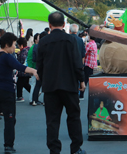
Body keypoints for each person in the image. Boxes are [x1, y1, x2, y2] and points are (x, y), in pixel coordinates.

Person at [37, 12, 86, 154]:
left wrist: (41, 77)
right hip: (69, 85)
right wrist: (81, 80)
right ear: (64, 24)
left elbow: (39, 64)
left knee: (52, 120)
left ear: (49, 25)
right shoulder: (71, 40)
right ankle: (76, 148)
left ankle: (54, 150)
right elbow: (77, 63)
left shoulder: (44, 41)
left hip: (50, 86)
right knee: (74, 117)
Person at [0, 32, 39, 153]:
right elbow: (20, 67)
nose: (15, 47)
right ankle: (8, 145)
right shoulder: (8, 57)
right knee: (9, 118)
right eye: (13, 44)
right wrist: (34, 71)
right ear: (7, 45)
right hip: (6, 91)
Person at [79, 35, 98, 100]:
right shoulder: (94, 44)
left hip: (88, 64)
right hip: (93, 64)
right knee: (91, 81)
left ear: (89, 37)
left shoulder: (89, 44)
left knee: (84, 80)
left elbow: (84, 53)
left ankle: (81, 95)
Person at [16, 37, 31, 102]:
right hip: (28, 70)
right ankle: (33, 92)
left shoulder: (23, 52)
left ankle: (20, 97)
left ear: (21, 45)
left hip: (23, 71)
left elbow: (22, 61)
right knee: (24, 83)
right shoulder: (28, 49)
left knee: (20, 84)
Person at [27, 33, 40, 105]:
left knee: (34, 84)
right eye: (38, 38)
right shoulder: (33, 48)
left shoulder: (35, 47)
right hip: (33, 68)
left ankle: (33, 99)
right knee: (33, 84)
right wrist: (31, 69)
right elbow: (29, 59)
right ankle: (32, 99)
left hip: (34, 68)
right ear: (35, 40)